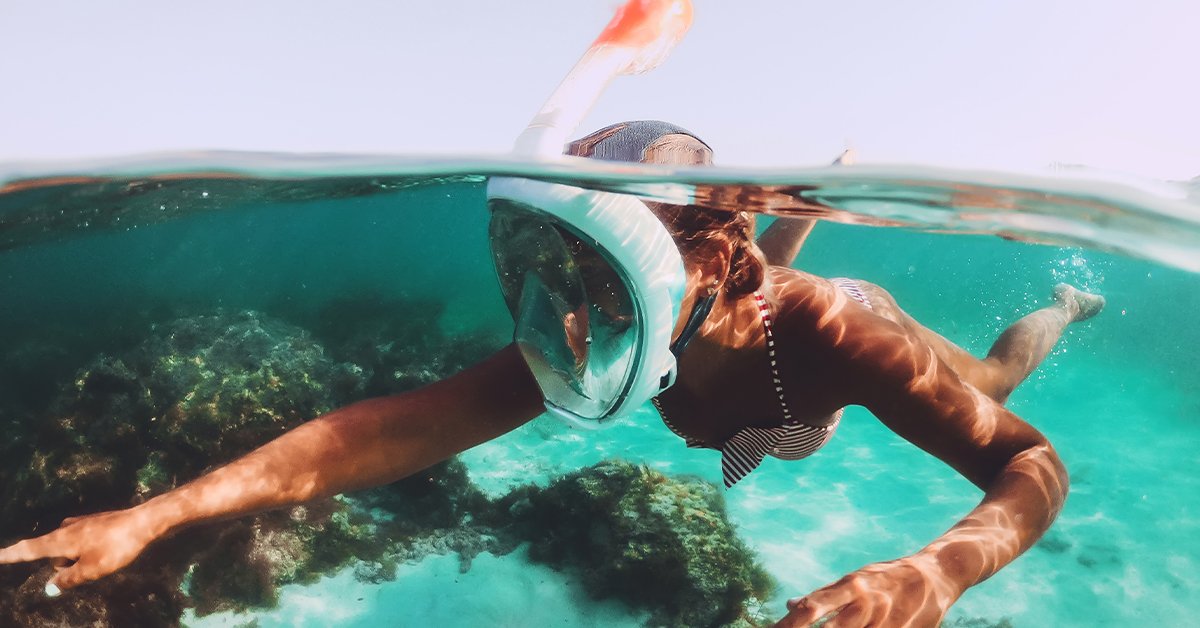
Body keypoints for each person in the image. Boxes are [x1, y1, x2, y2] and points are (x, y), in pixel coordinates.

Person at [0, 121, 1104, 627]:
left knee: (995, 381)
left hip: (820, 355)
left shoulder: (839, 340)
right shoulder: (604, 325)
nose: (568, 316)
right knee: (738, 295)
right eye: (550, 269)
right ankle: (788, 226)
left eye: (603, 277)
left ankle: (1062, 303)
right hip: (740, 311)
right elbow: (379, 433)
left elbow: (1032, 465)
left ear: (708, 263)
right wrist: (156, 515)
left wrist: (936, 576)